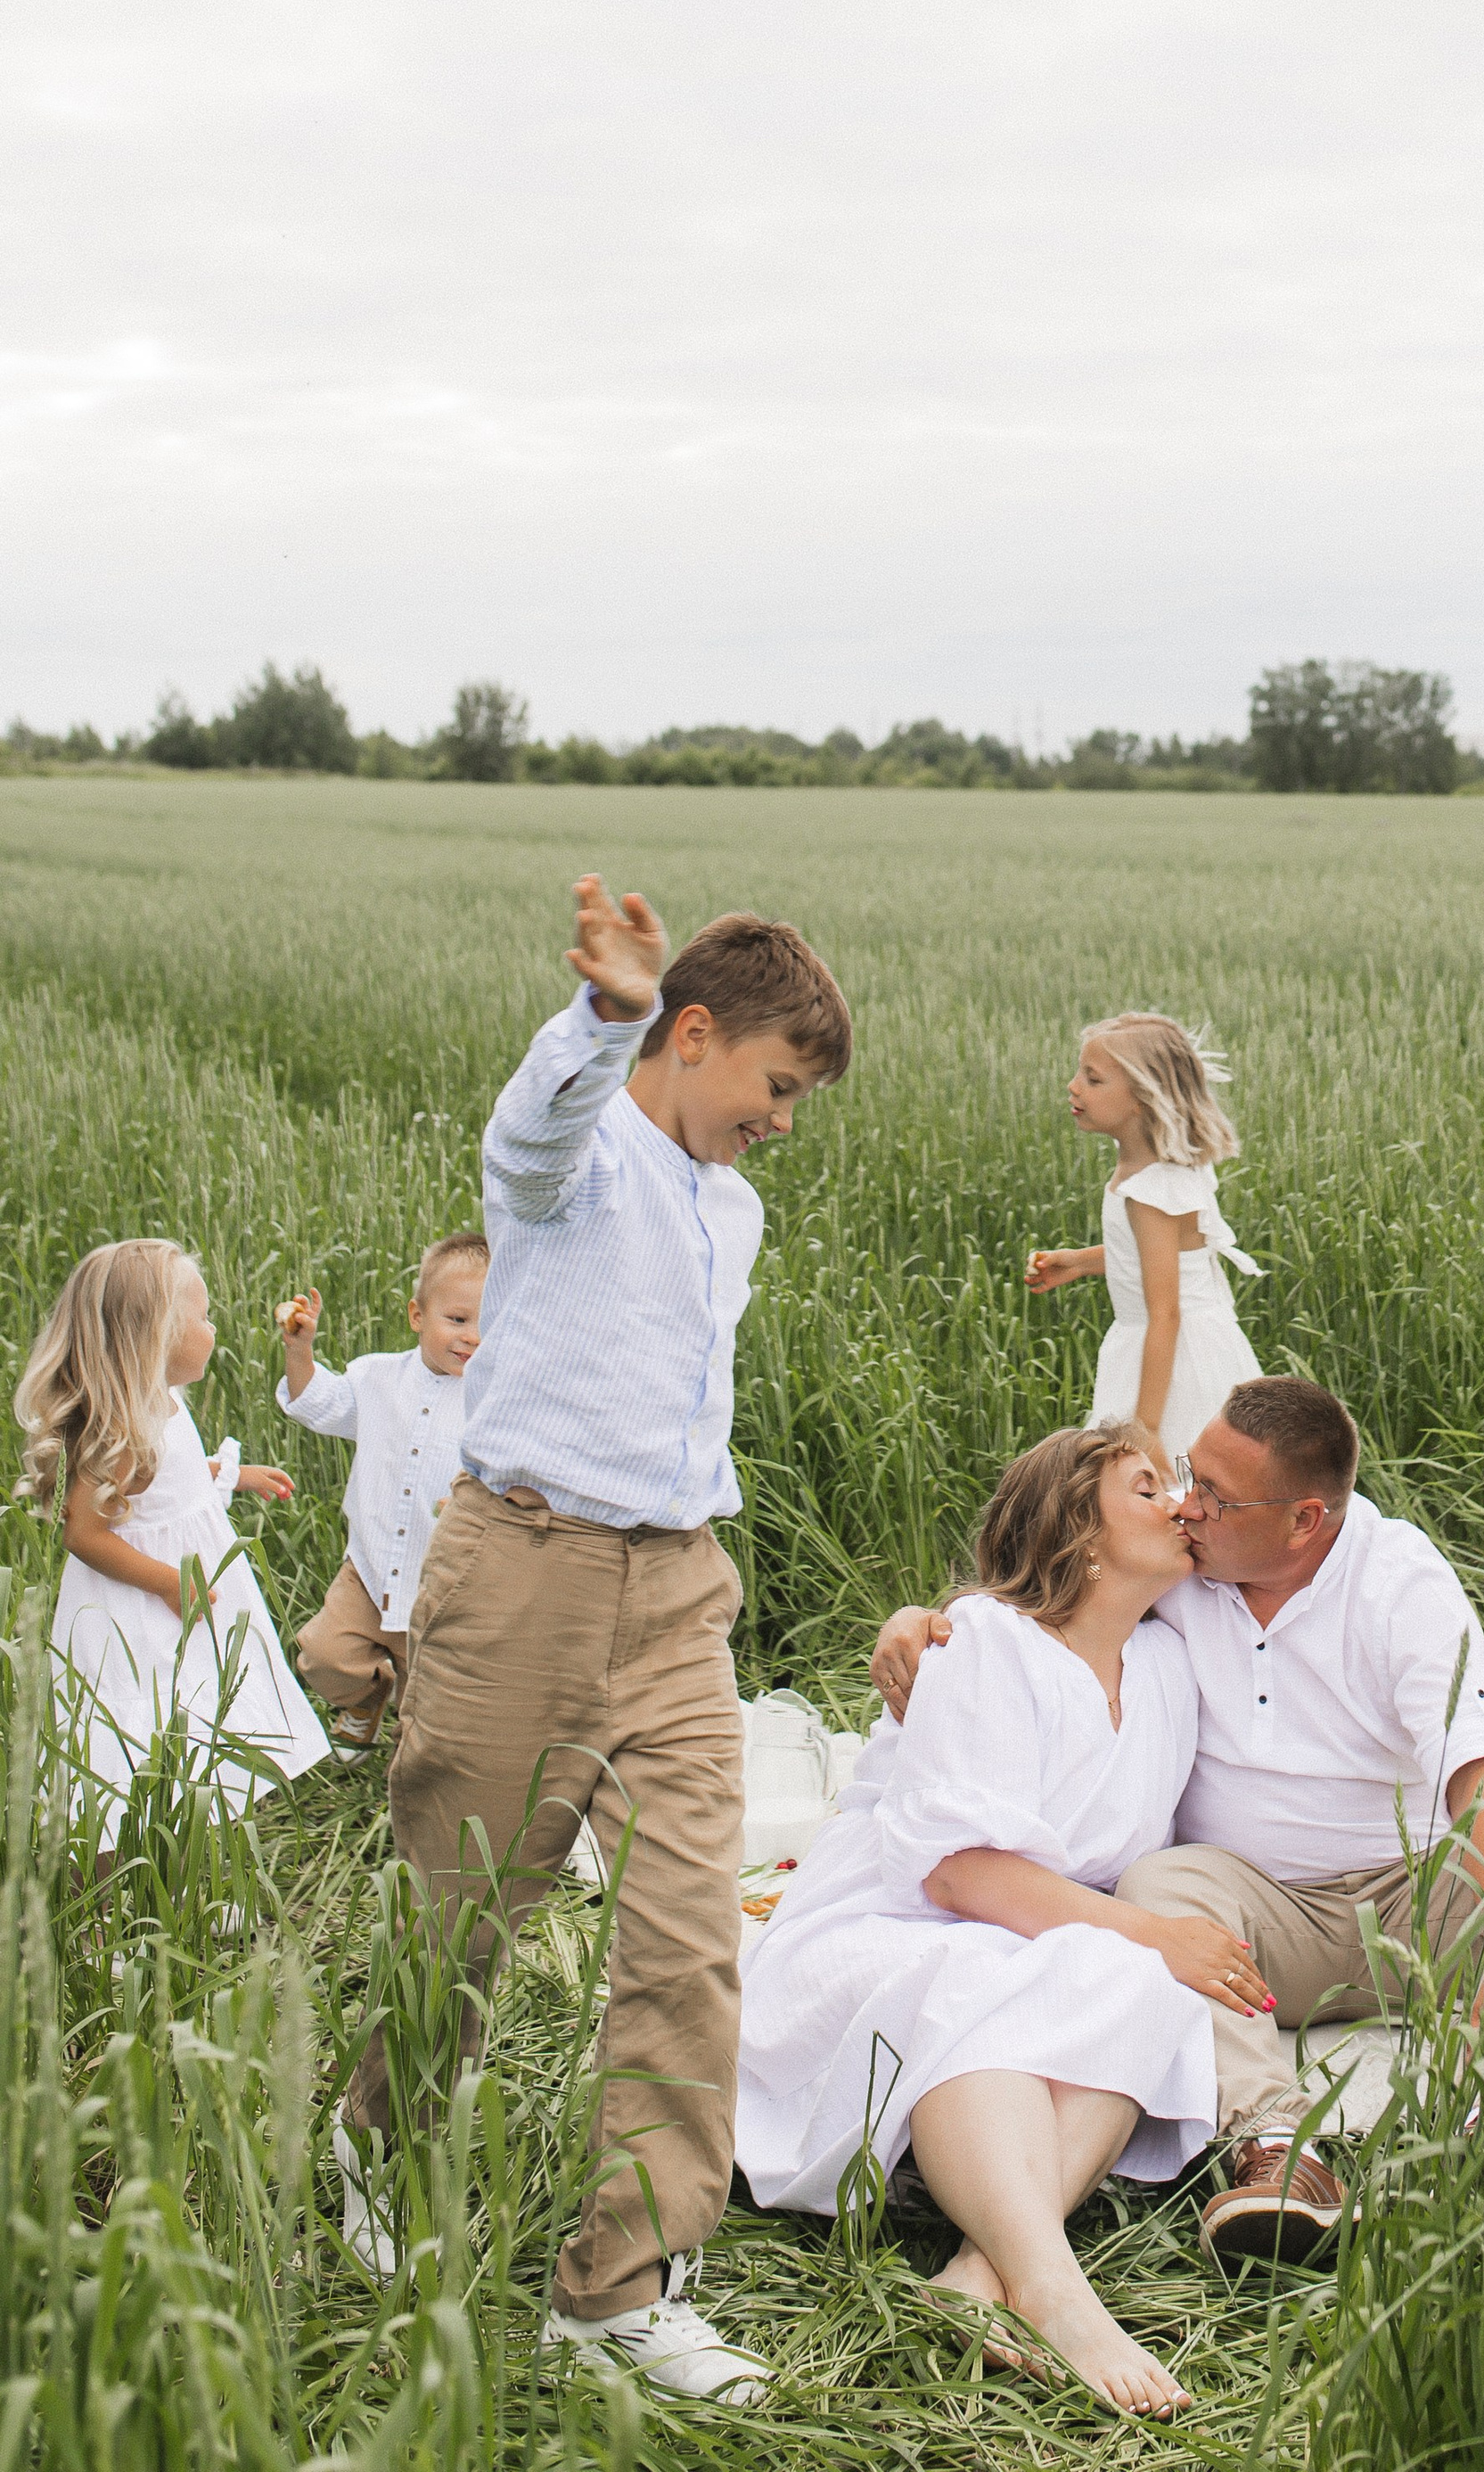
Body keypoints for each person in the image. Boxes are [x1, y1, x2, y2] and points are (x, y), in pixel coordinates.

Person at [339, 880, 851, 2409]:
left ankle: (622, 2289)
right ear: (693, 1035)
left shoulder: (734, 1209)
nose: (778, 1123)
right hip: (526, 1571)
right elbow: (529, 1134)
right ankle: (383, 2139)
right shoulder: (578, 1168)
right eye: (772, 1089)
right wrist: (601, 1021)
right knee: (464, 1909)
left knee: (693, 1930)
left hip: (680, 1589)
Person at [873, 1374, 1484, 2263]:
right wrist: (927, 1619)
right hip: (1257, 1919)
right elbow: (1056, 1592)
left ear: (1303, 1520)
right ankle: (1280, 2153)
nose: (1185, 1506)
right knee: (1161, 1886)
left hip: (1407, 1897)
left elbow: (1480, 1768)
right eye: (1186, 1476)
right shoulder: (1187, 1570)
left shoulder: (1396, 1581)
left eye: (1215, 1496)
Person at [738, 1425, 1253, 2417]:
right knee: (991, 1977)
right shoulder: (985, 1643)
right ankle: (1054, 2289)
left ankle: (981, 2274)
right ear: (1082, 1535)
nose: (1181, 1505)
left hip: (1034, 1934)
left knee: (1152, 1986)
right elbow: (961, 1877)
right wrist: (1155, 1932)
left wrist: (1157, 1945)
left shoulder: (1165, 1667)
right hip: (893, 1922)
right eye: (1147, 1489)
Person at [16, 1239, 327, 1842]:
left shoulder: (161, 1404)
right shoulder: (124, 1429)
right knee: (145, 1727)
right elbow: (84, 1531)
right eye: (203, 1317)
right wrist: (169, 1583)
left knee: (207, 1715)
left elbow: (170, 1484)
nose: (213, 1328)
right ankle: (112, 1877)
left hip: (185, 1599)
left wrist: (230, 1474)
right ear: (155, 1337)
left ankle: (200, 1868)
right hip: (144, 1613)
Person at [273, 1232, 488, 1756]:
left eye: (489, 1324)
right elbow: (315, 1402)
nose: (473, 1338)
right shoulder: (377, 1378)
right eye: (457, 1321)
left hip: (441, 1584)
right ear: (417, 1315)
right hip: (369, 1566)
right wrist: (299, 1349)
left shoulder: (492, 1403)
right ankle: (365, 1697)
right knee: (323, 1655)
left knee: (431, 1704)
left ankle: (412, 1765)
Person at [1027, 1014, 1261, 1471]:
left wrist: (1148, 1426)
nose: (1074, 1087)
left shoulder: (1148, 1192)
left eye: (1093, 1079)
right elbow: (1165, 1260)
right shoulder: (1158, 1169)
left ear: (1142, 1097)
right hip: (1196, 1343)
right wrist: (1078, 1262)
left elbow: (1165, 1311)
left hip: (1169, 1362)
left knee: (1169, 1482)